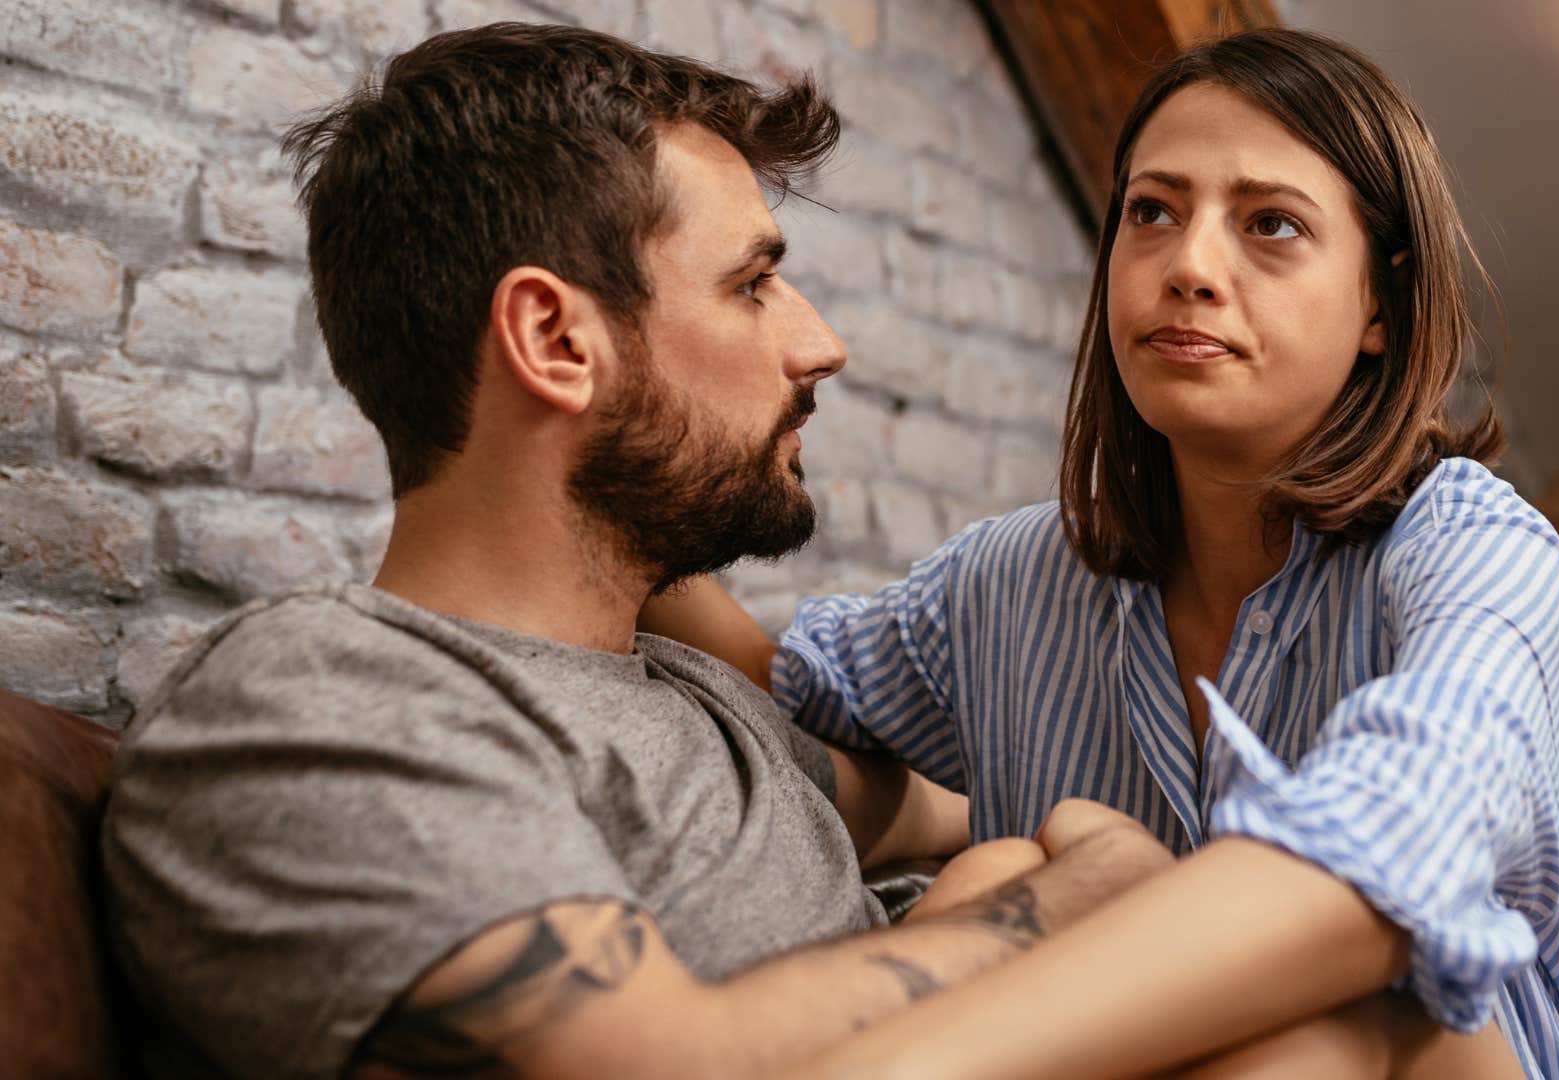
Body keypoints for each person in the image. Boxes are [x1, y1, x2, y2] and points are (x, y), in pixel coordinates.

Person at [98, 24, 1175, 1080]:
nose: (821, 346)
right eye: (752, 285)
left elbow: (969, 803)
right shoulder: (325, 702)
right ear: (557, 343)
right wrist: (1059, 906)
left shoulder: (693, 695)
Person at [642, 28, 1559, 1080]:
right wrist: (607, 466)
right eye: (1152, 211)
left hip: (1425, 1060)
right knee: (1010, 862)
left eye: (1271, 225)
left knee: (1368, 1017)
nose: (1188, 266)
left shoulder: (1487, 561)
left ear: (1383, 301)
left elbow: (1380, 866)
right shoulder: (1010, 582)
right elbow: (778, 693)